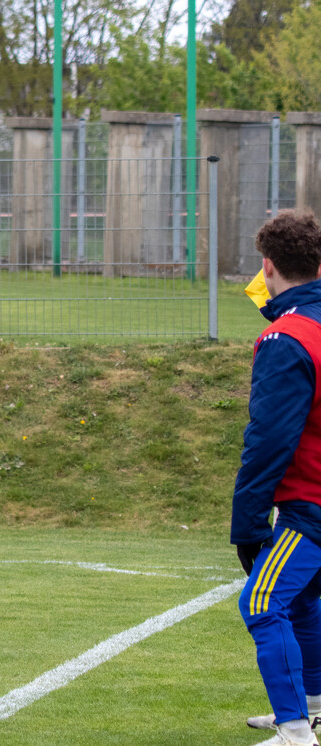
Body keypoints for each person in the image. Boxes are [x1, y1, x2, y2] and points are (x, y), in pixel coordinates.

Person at [233, 209, 321, 746]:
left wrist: (247, 525)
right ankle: (309, 708)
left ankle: (293, 731)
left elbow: (268, 442)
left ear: (267, 265)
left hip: (310, 507)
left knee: (262, 602)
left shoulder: (286, 339)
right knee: (305, 598)